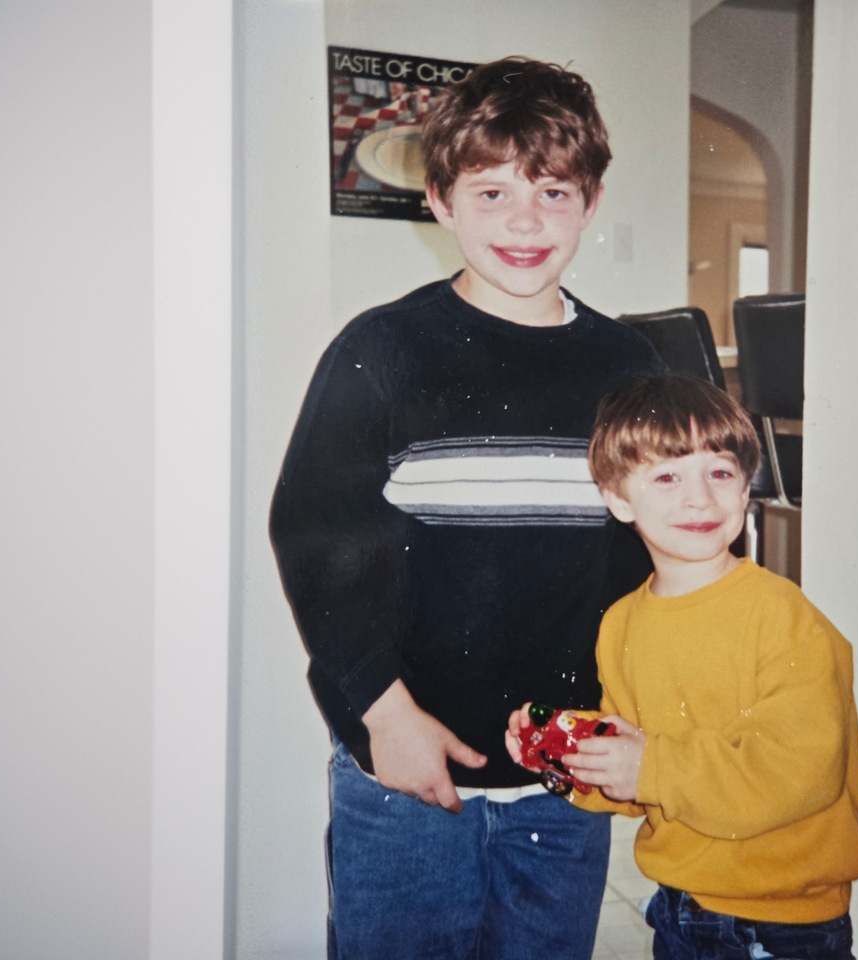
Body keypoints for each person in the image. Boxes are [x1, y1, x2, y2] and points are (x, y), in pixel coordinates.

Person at [269, 56, 662, 960]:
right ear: (440, 201)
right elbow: (316, 538)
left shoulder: (631, 365)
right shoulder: (382, 349)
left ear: (590, 203)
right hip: (404, 774)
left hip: (562, 785)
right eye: (490, 194)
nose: (524, 222)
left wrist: (647, 714)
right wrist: (381, 713)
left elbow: (650, 559)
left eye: (553, 192)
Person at [505, 374, 858, 960]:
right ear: (618, 498)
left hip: (781, 924)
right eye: (667, 476)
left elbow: (799, 768)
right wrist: (579, 756)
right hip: (681, 909)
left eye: (721, 473)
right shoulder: (623, 624)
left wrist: (648, 765)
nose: (700, 498)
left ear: (745, 484)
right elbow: (645, 780)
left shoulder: (783, 616)